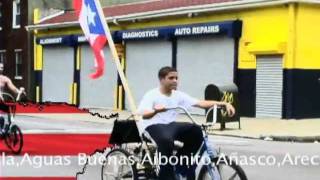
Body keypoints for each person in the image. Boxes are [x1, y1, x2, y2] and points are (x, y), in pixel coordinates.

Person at [137, 66, 235, 180]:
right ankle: (166, 176)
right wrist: (155, 111)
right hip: (152, 125)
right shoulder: (152, 94)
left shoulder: (178, 95)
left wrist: (223, 104)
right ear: (162, 80)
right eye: (171, 78)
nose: (175, 80)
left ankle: (182, 166)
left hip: (170, 125)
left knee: (196, 130)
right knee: (166, 140)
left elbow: (200, 103)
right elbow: (144, 114)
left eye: (176, 78)